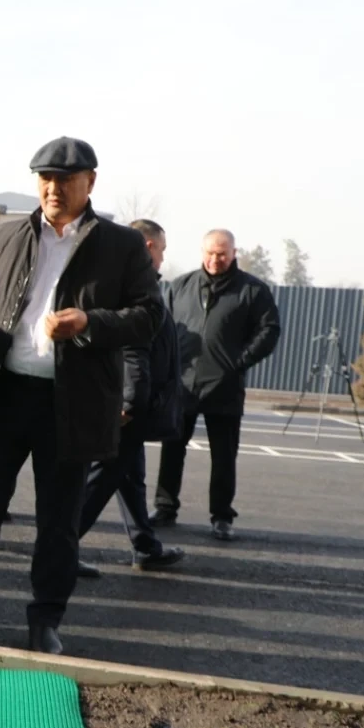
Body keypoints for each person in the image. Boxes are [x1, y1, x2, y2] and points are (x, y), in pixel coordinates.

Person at [0, 137, 162, 655]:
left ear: (90, 182)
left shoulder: (122, 246)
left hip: (71, 402)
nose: (53, 188)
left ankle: (45, 619)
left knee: (58, 522)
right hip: (2, 394)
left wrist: (89, 323)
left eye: (65, 180)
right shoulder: (7, 236)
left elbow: (149, 316)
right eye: (45, 179)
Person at [154, 229, 281, 541]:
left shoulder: (253, 291)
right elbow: (162, 327)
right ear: (202, 252)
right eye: (210, 253)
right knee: (172, 450)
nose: (215, 259)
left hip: (225, 387)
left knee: (224, 456)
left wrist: (239, 362)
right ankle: (165, 507)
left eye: (222, 254)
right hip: (183, 384)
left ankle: (222, 516)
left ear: (234, 253)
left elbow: (269, 330)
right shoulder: (181, 286)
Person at [76, 219, 185, 578]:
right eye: (162, 250)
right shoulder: (135, 285)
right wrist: (131, 403)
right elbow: (133, 350)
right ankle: (59, 547)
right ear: (149, 247)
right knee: (102, 479)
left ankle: (145, 546)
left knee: (129, 477)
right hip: (129, 405)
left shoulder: (125, 279)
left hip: (133, 402)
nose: (163, 258)